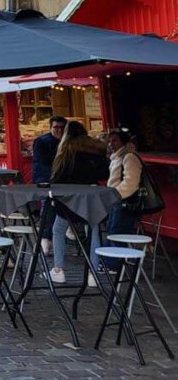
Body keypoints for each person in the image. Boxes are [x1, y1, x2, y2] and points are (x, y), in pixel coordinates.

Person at [49, 121, 109, 285]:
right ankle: (93, 273)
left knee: (58, 229)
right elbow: (105, 172)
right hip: (91, 198)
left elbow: (56, 178)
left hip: (68, 199)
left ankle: (58, 270)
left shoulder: (65, 151)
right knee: (94, 231)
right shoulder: (96, 149)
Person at [101, 130, 144, 270]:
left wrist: (115, 195)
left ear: (123, 142)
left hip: (123, 201)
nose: (111, 144)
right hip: (116, 200)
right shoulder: (117, 157)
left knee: (117, 232)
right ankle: (110, 262)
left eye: (115, 140)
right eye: (109, 141)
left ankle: (113, 265)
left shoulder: (129, 157)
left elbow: (131, 182)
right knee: (113, 230)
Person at [32, 115, 66, 252]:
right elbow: (44, 161)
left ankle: (67, 230)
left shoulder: (68, 141)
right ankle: (45, 238)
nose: (58, 130)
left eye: (61, 128)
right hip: (46, 179)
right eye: (55, 127)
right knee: (49, 205)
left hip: (61, 179)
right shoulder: (42, 141)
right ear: (50, 128)